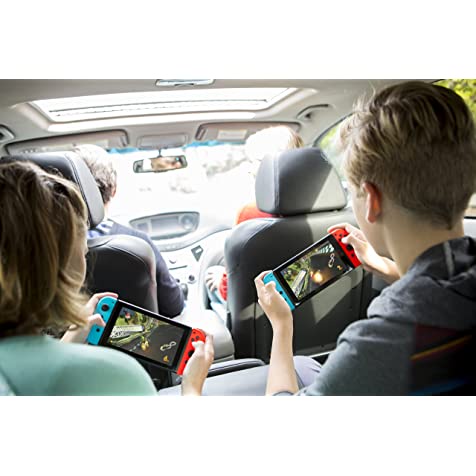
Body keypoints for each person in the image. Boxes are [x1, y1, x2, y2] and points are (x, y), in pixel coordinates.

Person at [254, 81, 476, 395]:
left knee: (300, 365)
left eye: (352, 192)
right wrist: (386, 268)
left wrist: (281, 325)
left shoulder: (380, 344)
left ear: (372, 200)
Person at [0, 160, 213, 396]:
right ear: (61, 265)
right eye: (82, 248)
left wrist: (72, 336)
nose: (86, 250)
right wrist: (192, 387)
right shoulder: (113, 375)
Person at [74, 144, 185, 318]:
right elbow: (173, 306)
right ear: (113, 190)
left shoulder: (45, 248)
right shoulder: (137, 243)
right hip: (135, 334)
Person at [205, 126, 304, 307]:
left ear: (272, 165)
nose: (250, 170)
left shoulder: (251, 214)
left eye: (255, 161)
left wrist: (220, 279)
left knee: (209, 278)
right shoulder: (333, 213)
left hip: (266, 313)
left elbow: (230, 291)